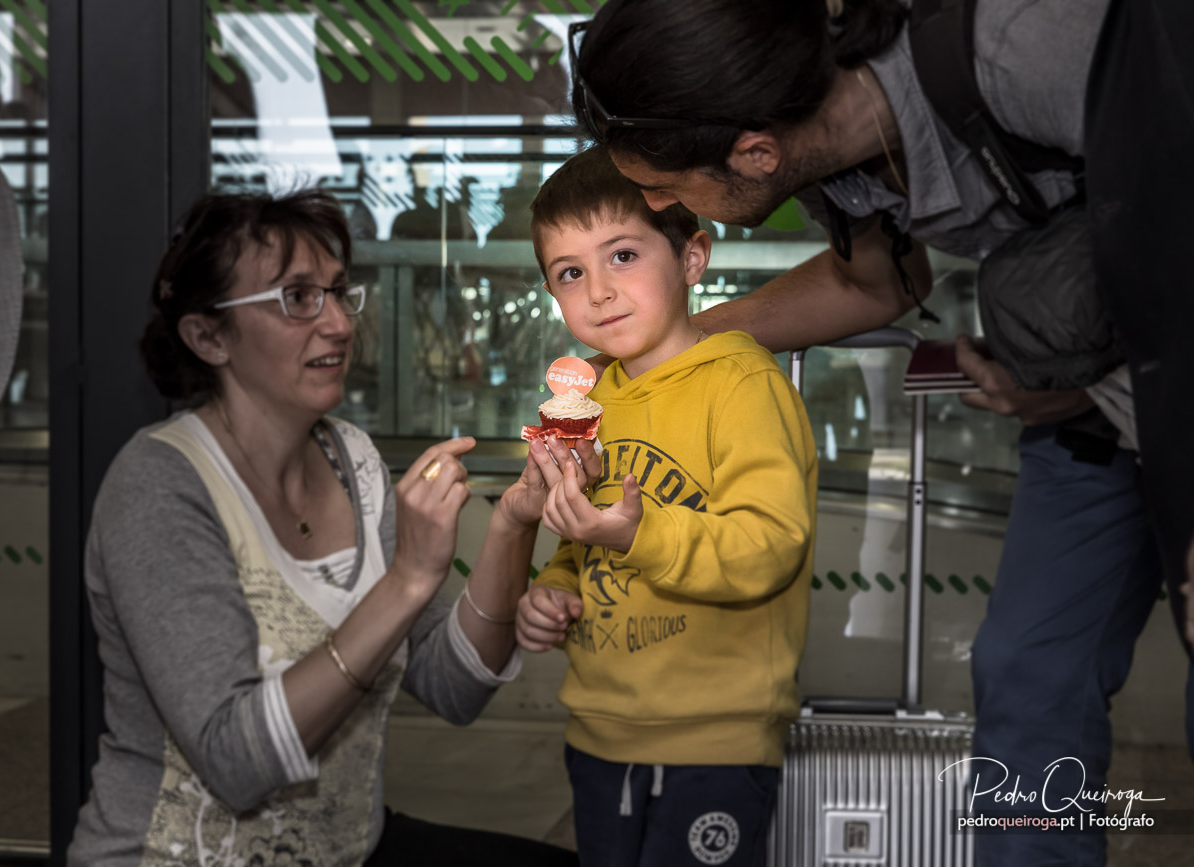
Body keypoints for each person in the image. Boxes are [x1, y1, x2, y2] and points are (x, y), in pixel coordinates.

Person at [567, 1, 1190, 864]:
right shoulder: (831, 158)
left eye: (666, 188)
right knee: (1027, 677)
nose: (656, 204)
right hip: (1097, 420)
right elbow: (873, 284)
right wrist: (676, 350)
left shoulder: (1025, 44)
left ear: (754, 150)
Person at [67, 189, 586, 866]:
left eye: (339, 293)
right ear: (208, 335)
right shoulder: (158, 485)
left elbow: (453, 687)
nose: (339, 324)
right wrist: (406, 580)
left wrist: (512, 524)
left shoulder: (354, 461)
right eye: (297, 298)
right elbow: (236, 760)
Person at [515, 145, 819, 867]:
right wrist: (554, 591)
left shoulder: (741, 384)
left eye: (622, 255)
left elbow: (772, 543)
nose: (598, 291)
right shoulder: (586, 403)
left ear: (691, 257)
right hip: (597, 733)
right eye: (570, 272)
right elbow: (579, 543)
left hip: (714, 739)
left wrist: (641, 531)